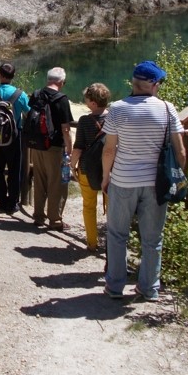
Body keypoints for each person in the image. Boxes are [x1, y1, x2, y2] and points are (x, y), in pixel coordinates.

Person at [101, 61, 188, 301]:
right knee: (152, 238)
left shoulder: (117, 108)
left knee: (117, 234)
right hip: (156, 184)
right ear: (153, 84)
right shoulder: (167, 109)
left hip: (123, 179)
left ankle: (115, 286)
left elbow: (109, 150)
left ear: (134, 82)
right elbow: (181, 152)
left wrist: (106, 178)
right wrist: (175, 180)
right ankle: (149, 288)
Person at [29, 67, 74, 231]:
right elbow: (66, 128)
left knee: (39, 180)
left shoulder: (36, 94)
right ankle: (54, 219)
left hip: (36, 145)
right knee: (57, 184)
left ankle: (38, 216)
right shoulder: (61, 99)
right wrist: (69, 148)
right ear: (61, 82)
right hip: (54, 147)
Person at [0, 63, 29, 215]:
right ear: (13, 76)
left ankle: (1, 200)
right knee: (14, 169)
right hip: (14, 137)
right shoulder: (20, 94)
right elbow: (28, 113)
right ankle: (13, 202)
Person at [70, 83, 111, 251]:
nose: (85, 101)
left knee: (88, 206)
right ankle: (112, 245)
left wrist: (72, 166)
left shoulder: (85, 121)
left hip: (87, 168)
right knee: (113, 208)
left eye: (86, 99)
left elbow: (78, 147)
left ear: (93, 103)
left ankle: (92, 243)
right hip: (111, 170)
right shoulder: (115, 118)